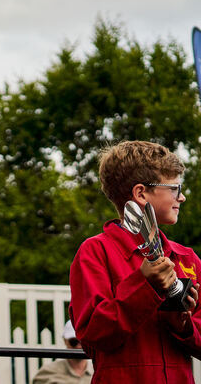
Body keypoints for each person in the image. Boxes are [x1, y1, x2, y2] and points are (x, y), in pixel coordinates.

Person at [69, 140, 201, 383]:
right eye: (174, 188)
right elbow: (92, 335)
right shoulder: (95, 251)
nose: (181, 197)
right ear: (141, 193)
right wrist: (145, 284)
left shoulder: (187, 258)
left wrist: (183, 326)